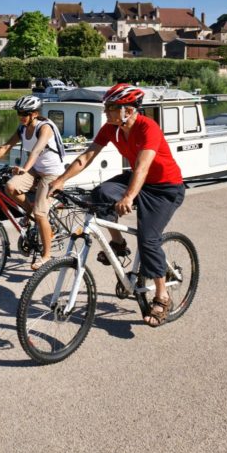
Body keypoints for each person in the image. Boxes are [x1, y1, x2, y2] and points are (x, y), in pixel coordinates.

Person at [49, 83, 185, 328]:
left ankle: (162, 296)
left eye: (112, 107)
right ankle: (118, 244)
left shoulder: (148, 127)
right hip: (137, 180)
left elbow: (143, 166)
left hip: (165, 188)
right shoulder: (111, 128)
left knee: (148, 238)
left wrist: (129, 197)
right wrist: (60, 181)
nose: (107, 111)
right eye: (107, 106)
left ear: (129, 110)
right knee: (99, 195)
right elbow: (86, 156)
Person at [0, 94, 66, 270]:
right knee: (10, 186)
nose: (21, 116)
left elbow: (36, 150)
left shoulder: (45, 127)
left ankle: (47, 256)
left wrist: (25, 168)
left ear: (34, 113)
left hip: (52, 174)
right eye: (19, 113)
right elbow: (5, 147)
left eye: (24, 113)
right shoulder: (22, 129)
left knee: (41, 213)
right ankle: (31, 214)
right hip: (35, 170)